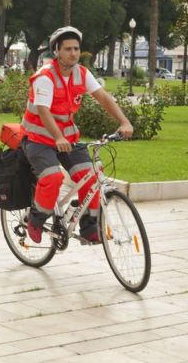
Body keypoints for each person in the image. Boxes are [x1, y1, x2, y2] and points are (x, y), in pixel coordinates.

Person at [22, 26, 133, 244]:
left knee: (91, 177)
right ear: (57, 51)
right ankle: (35, 219)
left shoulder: (81, 73)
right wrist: (58, 137)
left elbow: (103, 97)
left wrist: (124, 121)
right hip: (39, 140)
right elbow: (43, 111)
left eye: (76, 48)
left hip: (68, 140)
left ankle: (89, 228)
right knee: (52, 178)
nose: (73, 53)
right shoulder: (45, 76)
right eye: (68, 49)